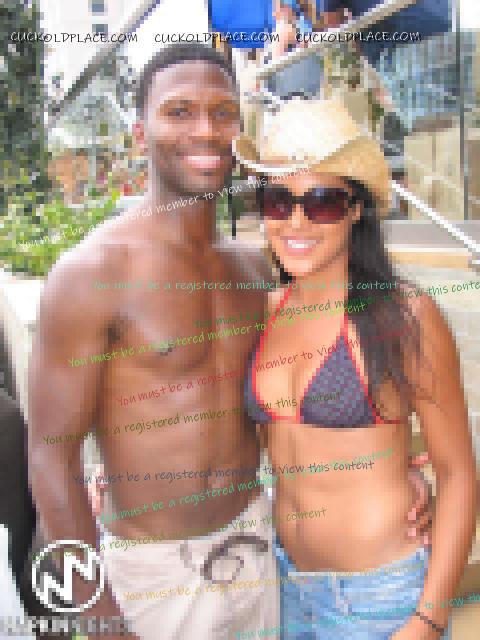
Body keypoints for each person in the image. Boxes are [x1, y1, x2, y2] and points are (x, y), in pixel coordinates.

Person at [29, 44, 432, 640]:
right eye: (180, 111)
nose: (206, 130)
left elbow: (292, 404)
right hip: (155, 577)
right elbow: (50, 457)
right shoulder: (90, 274)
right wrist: (100, 613)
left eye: (223, 113)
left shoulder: (257, 270)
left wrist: (395, 476)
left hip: (257, 551)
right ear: (140, 133)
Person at [235, 97, 477, 639]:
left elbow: (458, 473)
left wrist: (429, 618)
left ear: (355, 209)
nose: (296, 221)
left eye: (322, 203)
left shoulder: (403, 316)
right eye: (278, 201)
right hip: (285, 588)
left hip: (380, 600)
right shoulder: (262, 312)